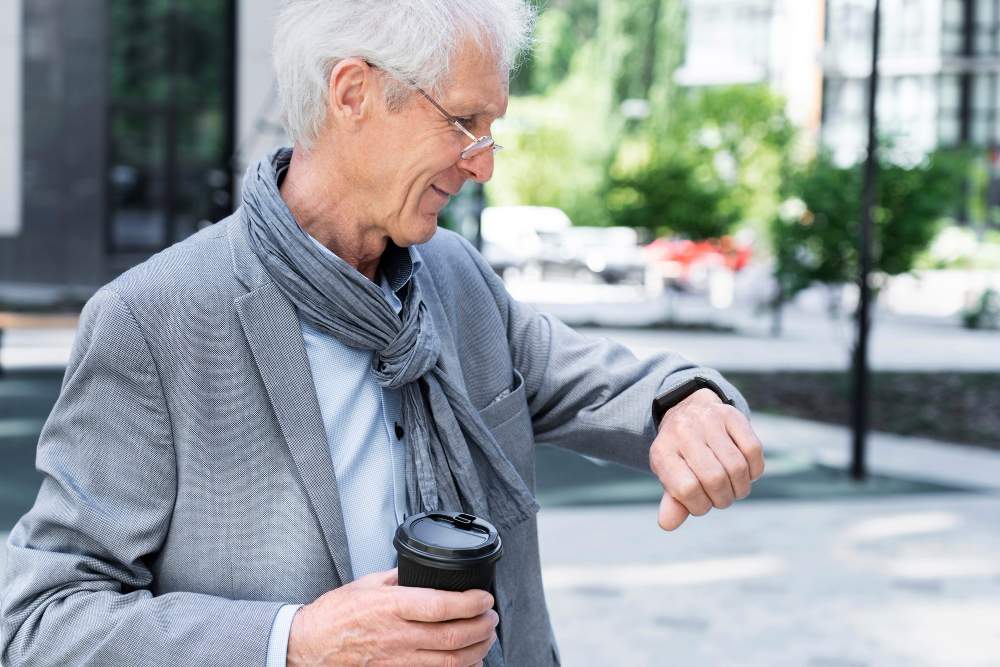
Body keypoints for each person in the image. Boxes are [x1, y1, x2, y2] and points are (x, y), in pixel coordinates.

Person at [0, 1, 764, 665]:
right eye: (466, 122)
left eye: (493, 128)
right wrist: (293, 643)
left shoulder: (457, 278)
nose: (484, 165)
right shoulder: (150, 320)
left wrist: (686, 404)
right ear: (353, 93)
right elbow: (41, 621)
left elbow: (613, 383)